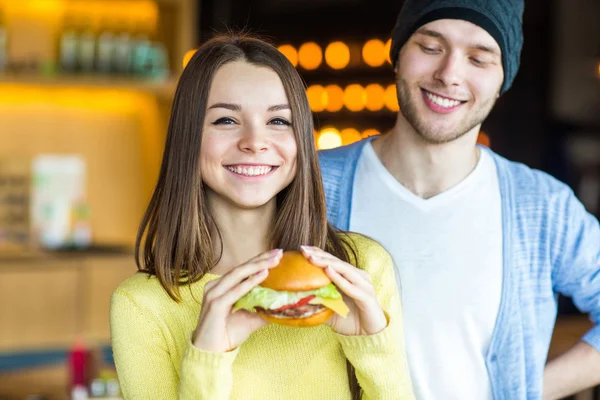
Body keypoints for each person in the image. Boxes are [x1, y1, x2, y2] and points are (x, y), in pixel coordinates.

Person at [318, 0, 600, 399]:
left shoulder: (542, 205)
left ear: (503, 79)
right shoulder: (313, 185)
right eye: (431, 47)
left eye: (479, 59)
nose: (449, 74)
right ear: (397, 55)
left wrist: (527, 391)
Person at [110, 33, 414, 400]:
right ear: (188, 137)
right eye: (225, 120)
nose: (255, 141)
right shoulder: (142, 305)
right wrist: (207, 358)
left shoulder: (361, 268)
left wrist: (372, 348)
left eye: (278, 122)